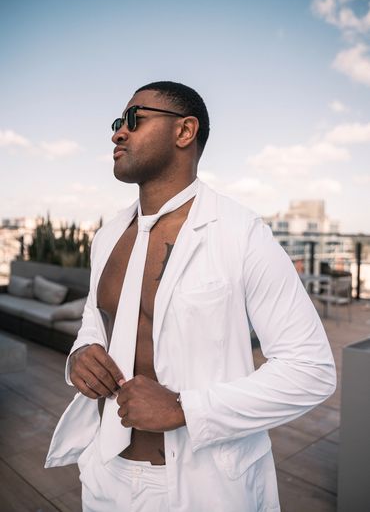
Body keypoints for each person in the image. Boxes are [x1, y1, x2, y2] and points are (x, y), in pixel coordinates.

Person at [45, 81, 336, 512]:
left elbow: (311, 370)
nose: (117, 133)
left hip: (204, 487)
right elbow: (97, 316)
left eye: (134, 119)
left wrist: (186, 408)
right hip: (105, 475)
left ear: (184, 132)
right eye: (116, 123)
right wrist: (80, 353)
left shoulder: (241, 233)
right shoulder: (107, 236)